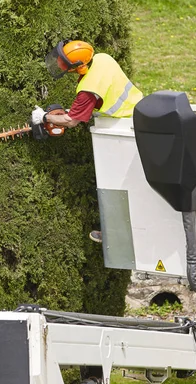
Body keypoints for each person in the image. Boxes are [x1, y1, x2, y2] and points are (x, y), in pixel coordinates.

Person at [31, 39, 144, 243]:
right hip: (140, 111)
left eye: (65, 64)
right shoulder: (102, 58)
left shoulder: (87, 88)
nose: (60, 65)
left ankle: (116, 232)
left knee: (117, 182)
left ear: (80, 67)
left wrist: (45, 118)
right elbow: (105, 94)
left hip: (126, 129)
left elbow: (71, 121)